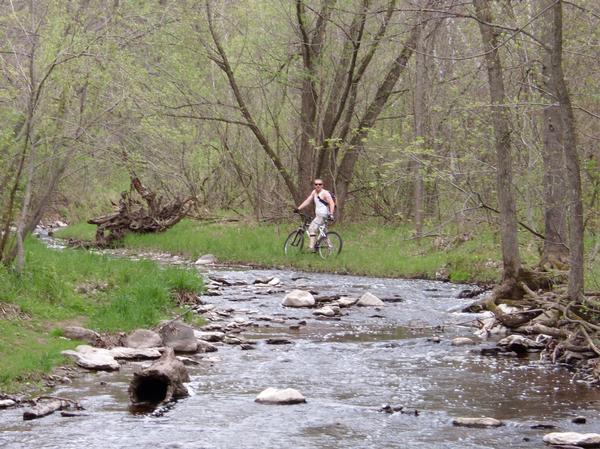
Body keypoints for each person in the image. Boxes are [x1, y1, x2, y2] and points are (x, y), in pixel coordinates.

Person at [294, 179, 335, 252]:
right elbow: (308, 201)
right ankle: (329, 247)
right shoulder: (314, 192)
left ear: (322, 185)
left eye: (320, 184)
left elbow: (331, 203)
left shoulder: (325, 193)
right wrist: (298, 208)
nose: (318, 185)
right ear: (314, 185)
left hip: (323, 215)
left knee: (312, 229)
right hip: (319, 215)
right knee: (323, 232)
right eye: (316, 184)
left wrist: (331, 214)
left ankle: (311, 247)